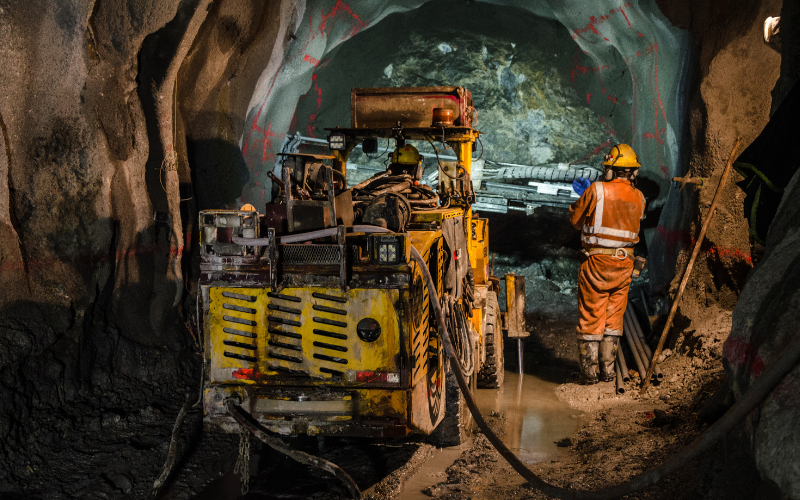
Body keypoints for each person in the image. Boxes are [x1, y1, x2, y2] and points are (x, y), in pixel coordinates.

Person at [569, 144, 646, 385]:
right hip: (625, 264)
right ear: (632, 172)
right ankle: (609, 371)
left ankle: (589, 372)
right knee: (614, 316)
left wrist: (583, 198)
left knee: (592, 313)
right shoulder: (639, 197)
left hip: (597, 263)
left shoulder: (596, 190)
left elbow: (575, 221)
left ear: (610, 170)